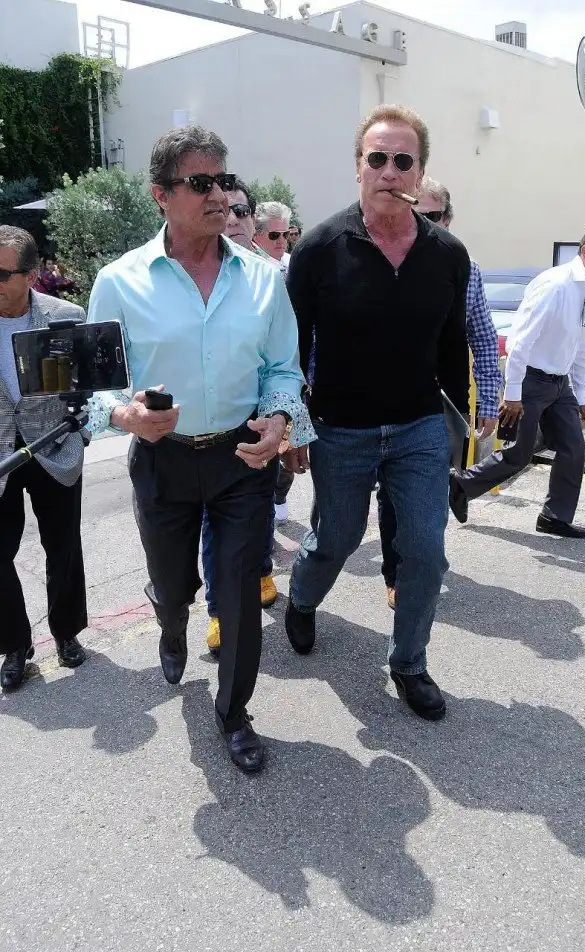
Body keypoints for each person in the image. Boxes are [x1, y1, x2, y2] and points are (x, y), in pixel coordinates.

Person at [86, 125, 314, 773]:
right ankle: (170, 623)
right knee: (172, 580)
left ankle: (233, 711)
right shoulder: (118, 282)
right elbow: (96, 388)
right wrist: (127, 415)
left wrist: (280, 418)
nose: (219, 195)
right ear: (161, 194)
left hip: (241, 458)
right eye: (200, 182)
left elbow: (284, 369)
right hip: (162, 458)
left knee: (239, 591)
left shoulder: (263, 278)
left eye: (224, 180)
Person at [283, 104, 470, 721]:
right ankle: (302, 599)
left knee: (425, 549)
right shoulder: (318, 248)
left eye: (403, 160)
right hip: (341, 428)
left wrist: (460, 434)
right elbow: (290, 349)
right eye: (378, 159)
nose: (390, 171)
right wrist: (293, 424)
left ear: (419, 172)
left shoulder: (448, 254)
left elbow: (453, 346)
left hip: (419, 427)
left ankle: (409, 662)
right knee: (335, 540)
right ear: (358, 167)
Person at [449, 222, 585, 538]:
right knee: (519, 452)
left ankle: (554, 517)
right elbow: (520, 342)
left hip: (559, 385)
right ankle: (461, 485)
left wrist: (582, 395)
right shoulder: (555, 285)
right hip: (529, 380)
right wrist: (513, 394)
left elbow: (583, 348)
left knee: (573, 448)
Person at [378, 176, 502, 608]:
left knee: (428, 487)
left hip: (442, 403)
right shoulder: (383, 260)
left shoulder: (465, 267)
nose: (423, 224)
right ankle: (397, 572)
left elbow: (482, 336)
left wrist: (489, 400)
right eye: (416, 214)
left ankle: (421, 562)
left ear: (448, 218)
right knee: (392, 491)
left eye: (432, 215)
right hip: (383, 400)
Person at [199, 177, 295, 659]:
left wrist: (292, 426)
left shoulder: (270, 277)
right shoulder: (195, 274)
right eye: (227, 210)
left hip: (265, 422)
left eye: (241, 211)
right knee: (212, 523)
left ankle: (259, 569)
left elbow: (289, 359)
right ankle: (218, 610)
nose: (232, 218)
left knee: (258, 510)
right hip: (208, 430)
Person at [0, 226, 88, 692]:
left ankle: (66, 631)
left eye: (2, 274)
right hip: (0, 453)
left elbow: (88, 383)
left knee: (63, 545)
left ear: (31, 276)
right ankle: (14, 644)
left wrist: (83, 430)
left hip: (53, 445)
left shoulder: (65, 316)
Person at [253, 202, 292, 273]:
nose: (281, 240)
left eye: (285, 234)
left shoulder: (292, 261)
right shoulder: (252, 269)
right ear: (255, 235)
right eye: (274, 235)